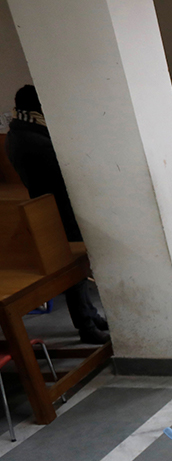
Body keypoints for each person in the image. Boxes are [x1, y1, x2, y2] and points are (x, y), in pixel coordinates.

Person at [5, 85, 109, 345]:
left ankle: (90, 315)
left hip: (53, 206)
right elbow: (63, 170)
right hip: (55, 210)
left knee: (77, 268)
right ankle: (85, 325)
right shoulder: (32, 138)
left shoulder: (20, 131)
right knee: (72, 268)